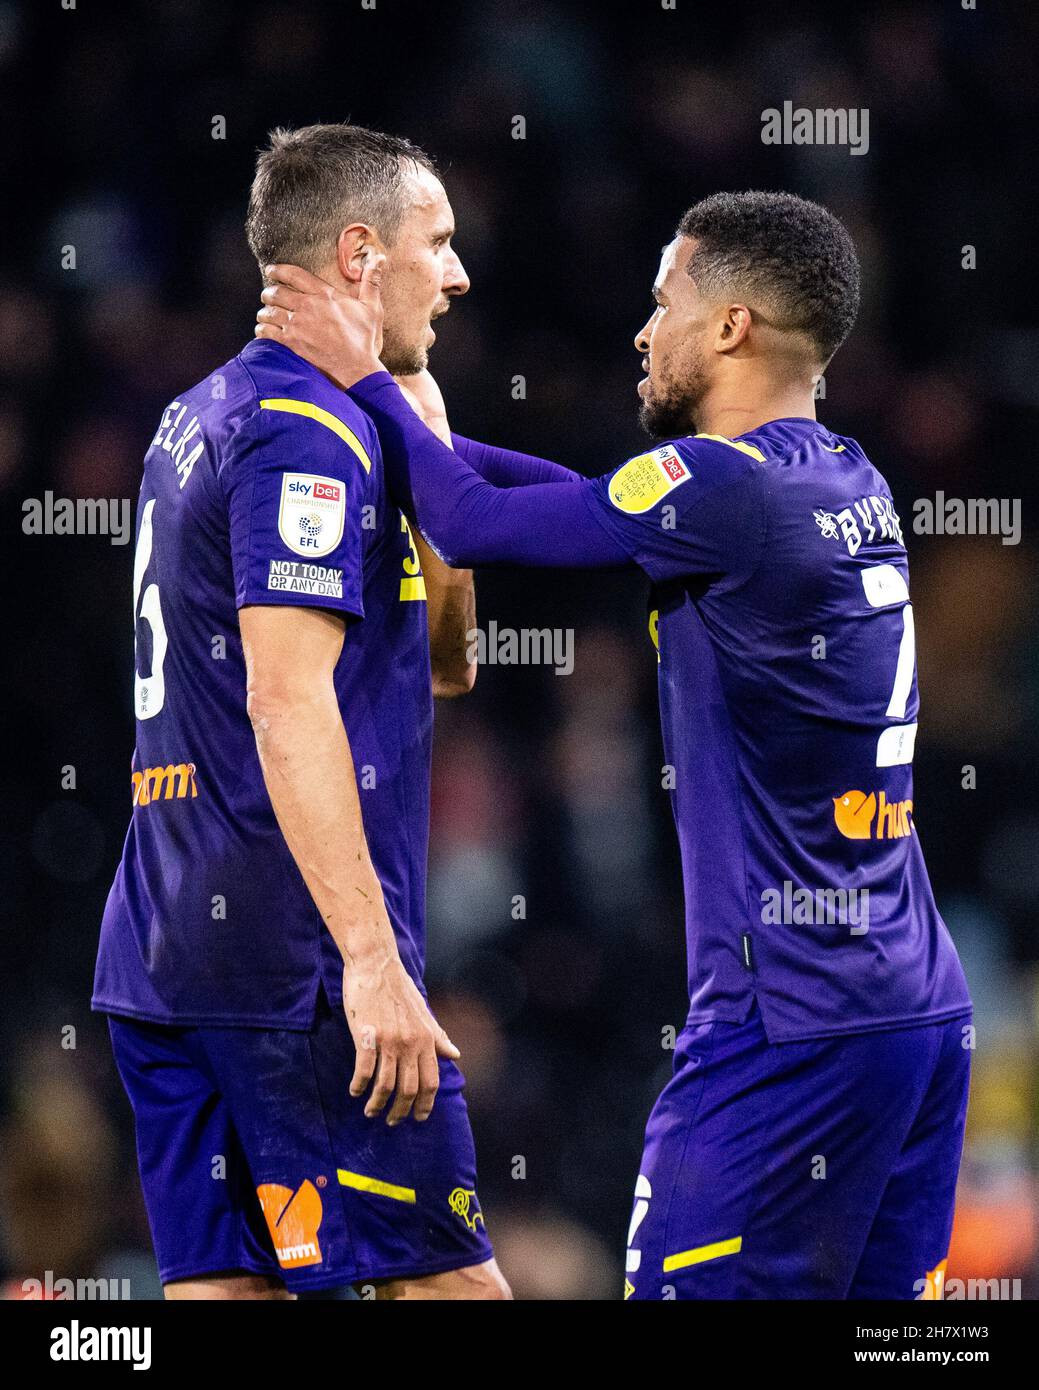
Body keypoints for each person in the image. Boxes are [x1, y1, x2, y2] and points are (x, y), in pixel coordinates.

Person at [255, 189, 973, 1300]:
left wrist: (358, 377)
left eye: (663, 300)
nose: (643, 332)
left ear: (729, 326)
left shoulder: (719, 485)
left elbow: (473, 522)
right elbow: (579, 502)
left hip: (786, 1022)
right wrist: (420, 430)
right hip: (915, 1008)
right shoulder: (844, 478)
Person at [93, 123, 510, 1300]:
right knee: (447, 1285)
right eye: (440, 243)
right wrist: (371, 961)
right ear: (362, 256)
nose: (460, 273)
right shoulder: (305, 437)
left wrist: (430, 459)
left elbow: (446, 664)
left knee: (228, 1291)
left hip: (164, 948)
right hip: (297, 965)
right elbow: (286, 702)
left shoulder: (198, 415)